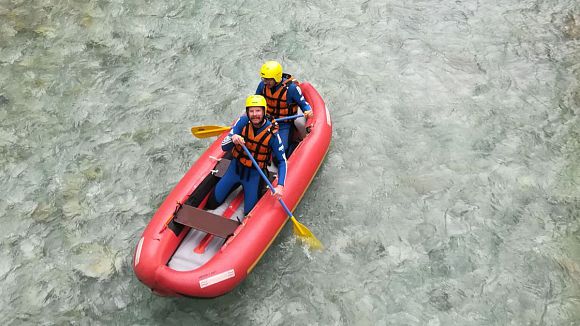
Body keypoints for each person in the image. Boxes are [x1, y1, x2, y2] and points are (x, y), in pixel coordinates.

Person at [205, 95, 287, 215]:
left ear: (264, 111)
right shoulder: (242, 122)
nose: (255, 114)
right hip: (235, 168)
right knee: (212, 202)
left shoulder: (272, 133)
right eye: (251, 111)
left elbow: (282, 161)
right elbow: (224, 146)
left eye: (258, 110)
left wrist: (280, 185)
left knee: (249, 212)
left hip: (255, 174)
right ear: (247, 112)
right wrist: (233, 138)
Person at [256, 61, 313, 154]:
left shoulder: (291, 89)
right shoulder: (262, 85)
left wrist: (307, 110)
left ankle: (294, 146)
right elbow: (256, 102)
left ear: (276, 78)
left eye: (268, 79)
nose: (265, 82)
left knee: (281, 151)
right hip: (266, 120)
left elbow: (303, 104)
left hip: (284, 123)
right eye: (264, 79)